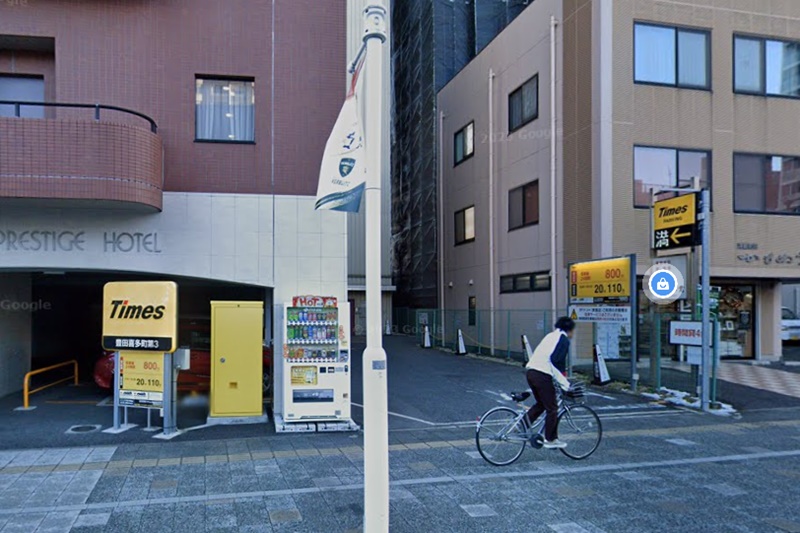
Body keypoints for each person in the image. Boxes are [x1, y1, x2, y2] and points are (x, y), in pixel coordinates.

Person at [524, 316, 575, 449]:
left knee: (542, 403)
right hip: (542, 374)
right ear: (569, 330)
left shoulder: (551, 336)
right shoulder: (563, 340)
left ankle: (522, 426)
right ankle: (550, 439)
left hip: (531, 372)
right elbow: (556, 362)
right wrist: (565, 384)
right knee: (552, 408)